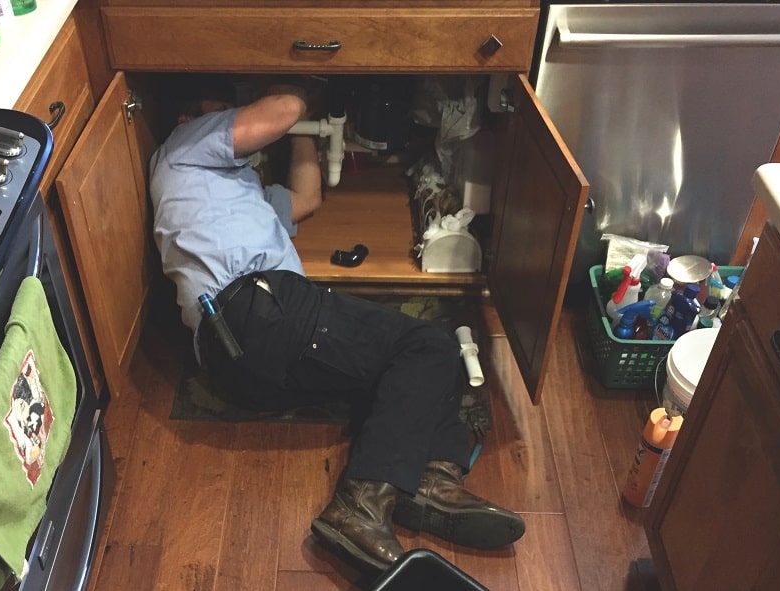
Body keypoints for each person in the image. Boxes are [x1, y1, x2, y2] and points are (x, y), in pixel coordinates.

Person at [147, 76, 525, 572]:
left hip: (241, 363)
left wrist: (305, 130)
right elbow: (279, 109)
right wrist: (304, 85)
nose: (233, 117)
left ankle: (429, 481)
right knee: (429, 347)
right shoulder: (183, 145)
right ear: (189, 117)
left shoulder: (233, 190)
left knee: (401, 377)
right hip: (258, 309)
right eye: (224, 110)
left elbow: (307, 197)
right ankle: (359, 506)